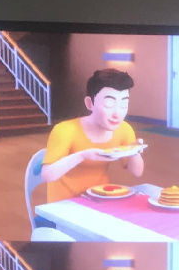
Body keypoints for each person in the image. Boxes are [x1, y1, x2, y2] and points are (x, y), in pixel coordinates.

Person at [39, 69, 145, 202]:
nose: (117, 113)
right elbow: (47, 175)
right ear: (90, 103)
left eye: (124, 104)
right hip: (63, 205)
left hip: (100, 199)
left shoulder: (124, 129)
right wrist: (82, 155)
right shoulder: (65, 130)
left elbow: (137, 172)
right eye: (109, 104)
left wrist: (135, 152)